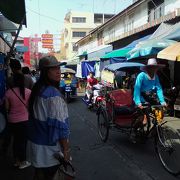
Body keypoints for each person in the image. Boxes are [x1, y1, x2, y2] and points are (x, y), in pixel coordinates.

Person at [27, 55, 70, 180]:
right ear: (45, 72)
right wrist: (66, 150)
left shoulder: (38, 89)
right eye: (53, 68)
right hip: (49, 151)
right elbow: (60, 127)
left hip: (35, 146)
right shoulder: (53, 95)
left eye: (58, 67)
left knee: (39, 175)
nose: (58, 71)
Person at [5, 72, 31, 169]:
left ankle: (16, 161)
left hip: (12, 120)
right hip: (24, 120)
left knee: (15, 141)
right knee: (23, 141)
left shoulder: (8, 92)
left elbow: (7, 108)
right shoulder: (28, 92)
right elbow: (29, 106)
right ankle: (23, 161)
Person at [133, 58, 167, 124]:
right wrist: (138, 102)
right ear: (148, 67)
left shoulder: (156, 76)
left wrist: (162, 101)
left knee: (158, 114)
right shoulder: (141, 75)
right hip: (140, 97)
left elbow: (159, 89)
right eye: (152, 67)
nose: (154, 69)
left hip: (149, 96)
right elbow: (137, 89)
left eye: (155, 67)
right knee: (144, 119)